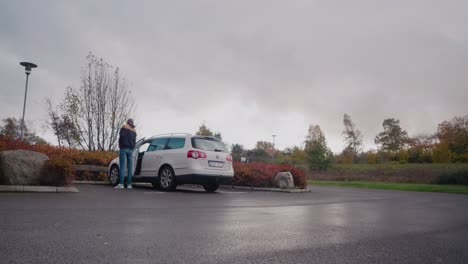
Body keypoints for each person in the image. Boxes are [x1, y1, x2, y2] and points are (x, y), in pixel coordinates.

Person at [115, 118, 137, 189]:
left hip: (123, 148)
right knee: (129, 167)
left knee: (122, 167)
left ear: (127, 122)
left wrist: (120, 145)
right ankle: (129, 184)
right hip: (130, 150)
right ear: (132, 123)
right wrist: (132, 148)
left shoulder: (124, 127)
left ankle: (121, 184)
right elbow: (134, 141)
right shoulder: (134, 130)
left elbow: (121, 137)